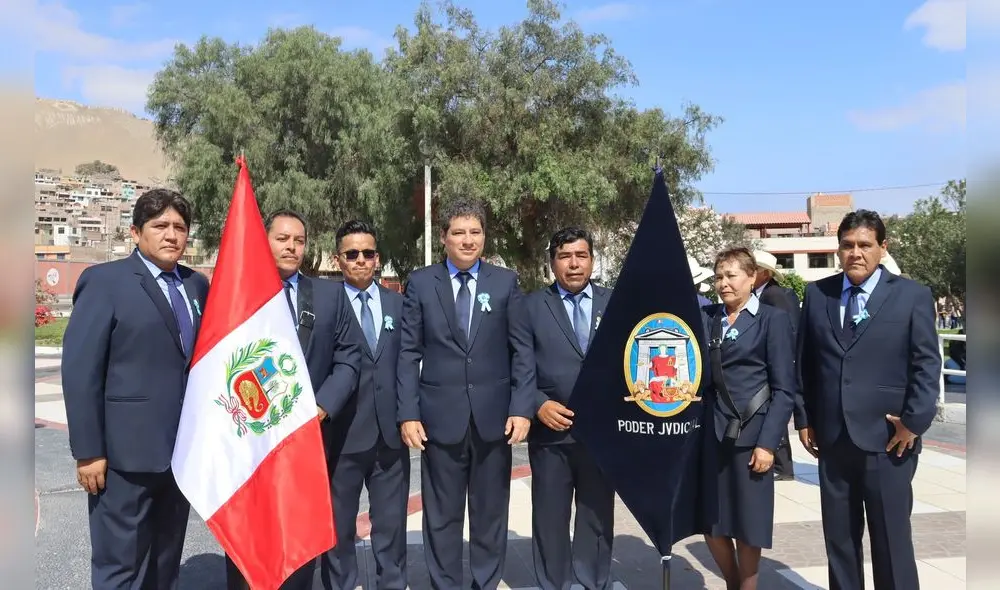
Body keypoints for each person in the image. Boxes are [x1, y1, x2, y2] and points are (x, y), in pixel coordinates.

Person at [62, 189, 210, 589]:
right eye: (160, 225)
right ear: (135, 232)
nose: (171, 235)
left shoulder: (197, 286)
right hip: (124, 458)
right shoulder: (106, 282)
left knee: (165, 564)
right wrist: (89, 451)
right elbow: (81, 371)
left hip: (180, 455)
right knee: (121, 568)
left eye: (180, 227)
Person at [795, 210, 940, 590]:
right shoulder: (817, 294)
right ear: (837, 249)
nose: (855, 253)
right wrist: (805, 418)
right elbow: (806, 363)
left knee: (892, 542)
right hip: (833, 440)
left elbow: (926, 363)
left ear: (882, 248)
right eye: (847, 245)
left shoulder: (912, 295)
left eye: (864, 245)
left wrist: (914, 421)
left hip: (889, 440)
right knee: (839, 543)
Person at [396, 198, 534, 590]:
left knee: (491, 513)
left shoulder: (505, 283)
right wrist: (408, 413)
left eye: (475, 232)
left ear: (484, 238)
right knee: (441, 514)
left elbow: (522, 351)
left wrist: (522, 408)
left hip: (495, 420)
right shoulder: (422, 283)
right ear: (444, 238)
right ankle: (445, 584)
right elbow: (408, 353)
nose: (468, 240)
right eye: (459, 232)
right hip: (439, 420)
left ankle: (484, 583)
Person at [225, 209, 362, 590]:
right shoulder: (236, 294)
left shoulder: (330, 296)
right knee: (251, 540)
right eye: (282, 239)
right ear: (263, 241)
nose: (291, 247)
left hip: (309, 440)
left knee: (300, 540)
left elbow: (350, 357)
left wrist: (321, 406)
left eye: (298, 240)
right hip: (252, 443)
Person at [514, 227, 616, 589]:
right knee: (550, 519)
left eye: (581, 255)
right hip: (551, 435)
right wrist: (537, 404)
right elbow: (518, 365)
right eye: (565, 256)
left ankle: (592, 582)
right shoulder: (529, 306)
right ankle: (552, 583)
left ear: (592, 259)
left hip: (602, 436)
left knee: (596, 518)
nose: (574, 264)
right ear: (552, 262)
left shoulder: (615, 303)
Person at [318, 220, 410, 590]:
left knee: (391, 528)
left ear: (378, 259)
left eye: (367, 253)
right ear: (339, 259)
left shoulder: (399, 304)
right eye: (351, 254)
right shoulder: (325, 304)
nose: (360, 260)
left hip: (390, 437)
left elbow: (408, 363)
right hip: (341, 435)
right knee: (339, 530)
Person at [702, 247, 797, 590]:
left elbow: (784, 389)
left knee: (749, 525)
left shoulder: (772, 320)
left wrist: (768, 444)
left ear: (752, 277)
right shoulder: (708, 317)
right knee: (712, 523)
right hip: (712, 437)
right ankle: (732, 583)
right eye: (719, 276)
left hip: (752, 437)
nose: (723, 284)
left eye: (731, 276)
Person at [751, 250, 800, 481]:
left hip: (780, 363)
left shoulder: (775, 296)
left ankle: (784, 466)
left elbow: (788, 331)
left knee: (777, 410)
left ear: (763, 273)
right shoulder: (762, 294)